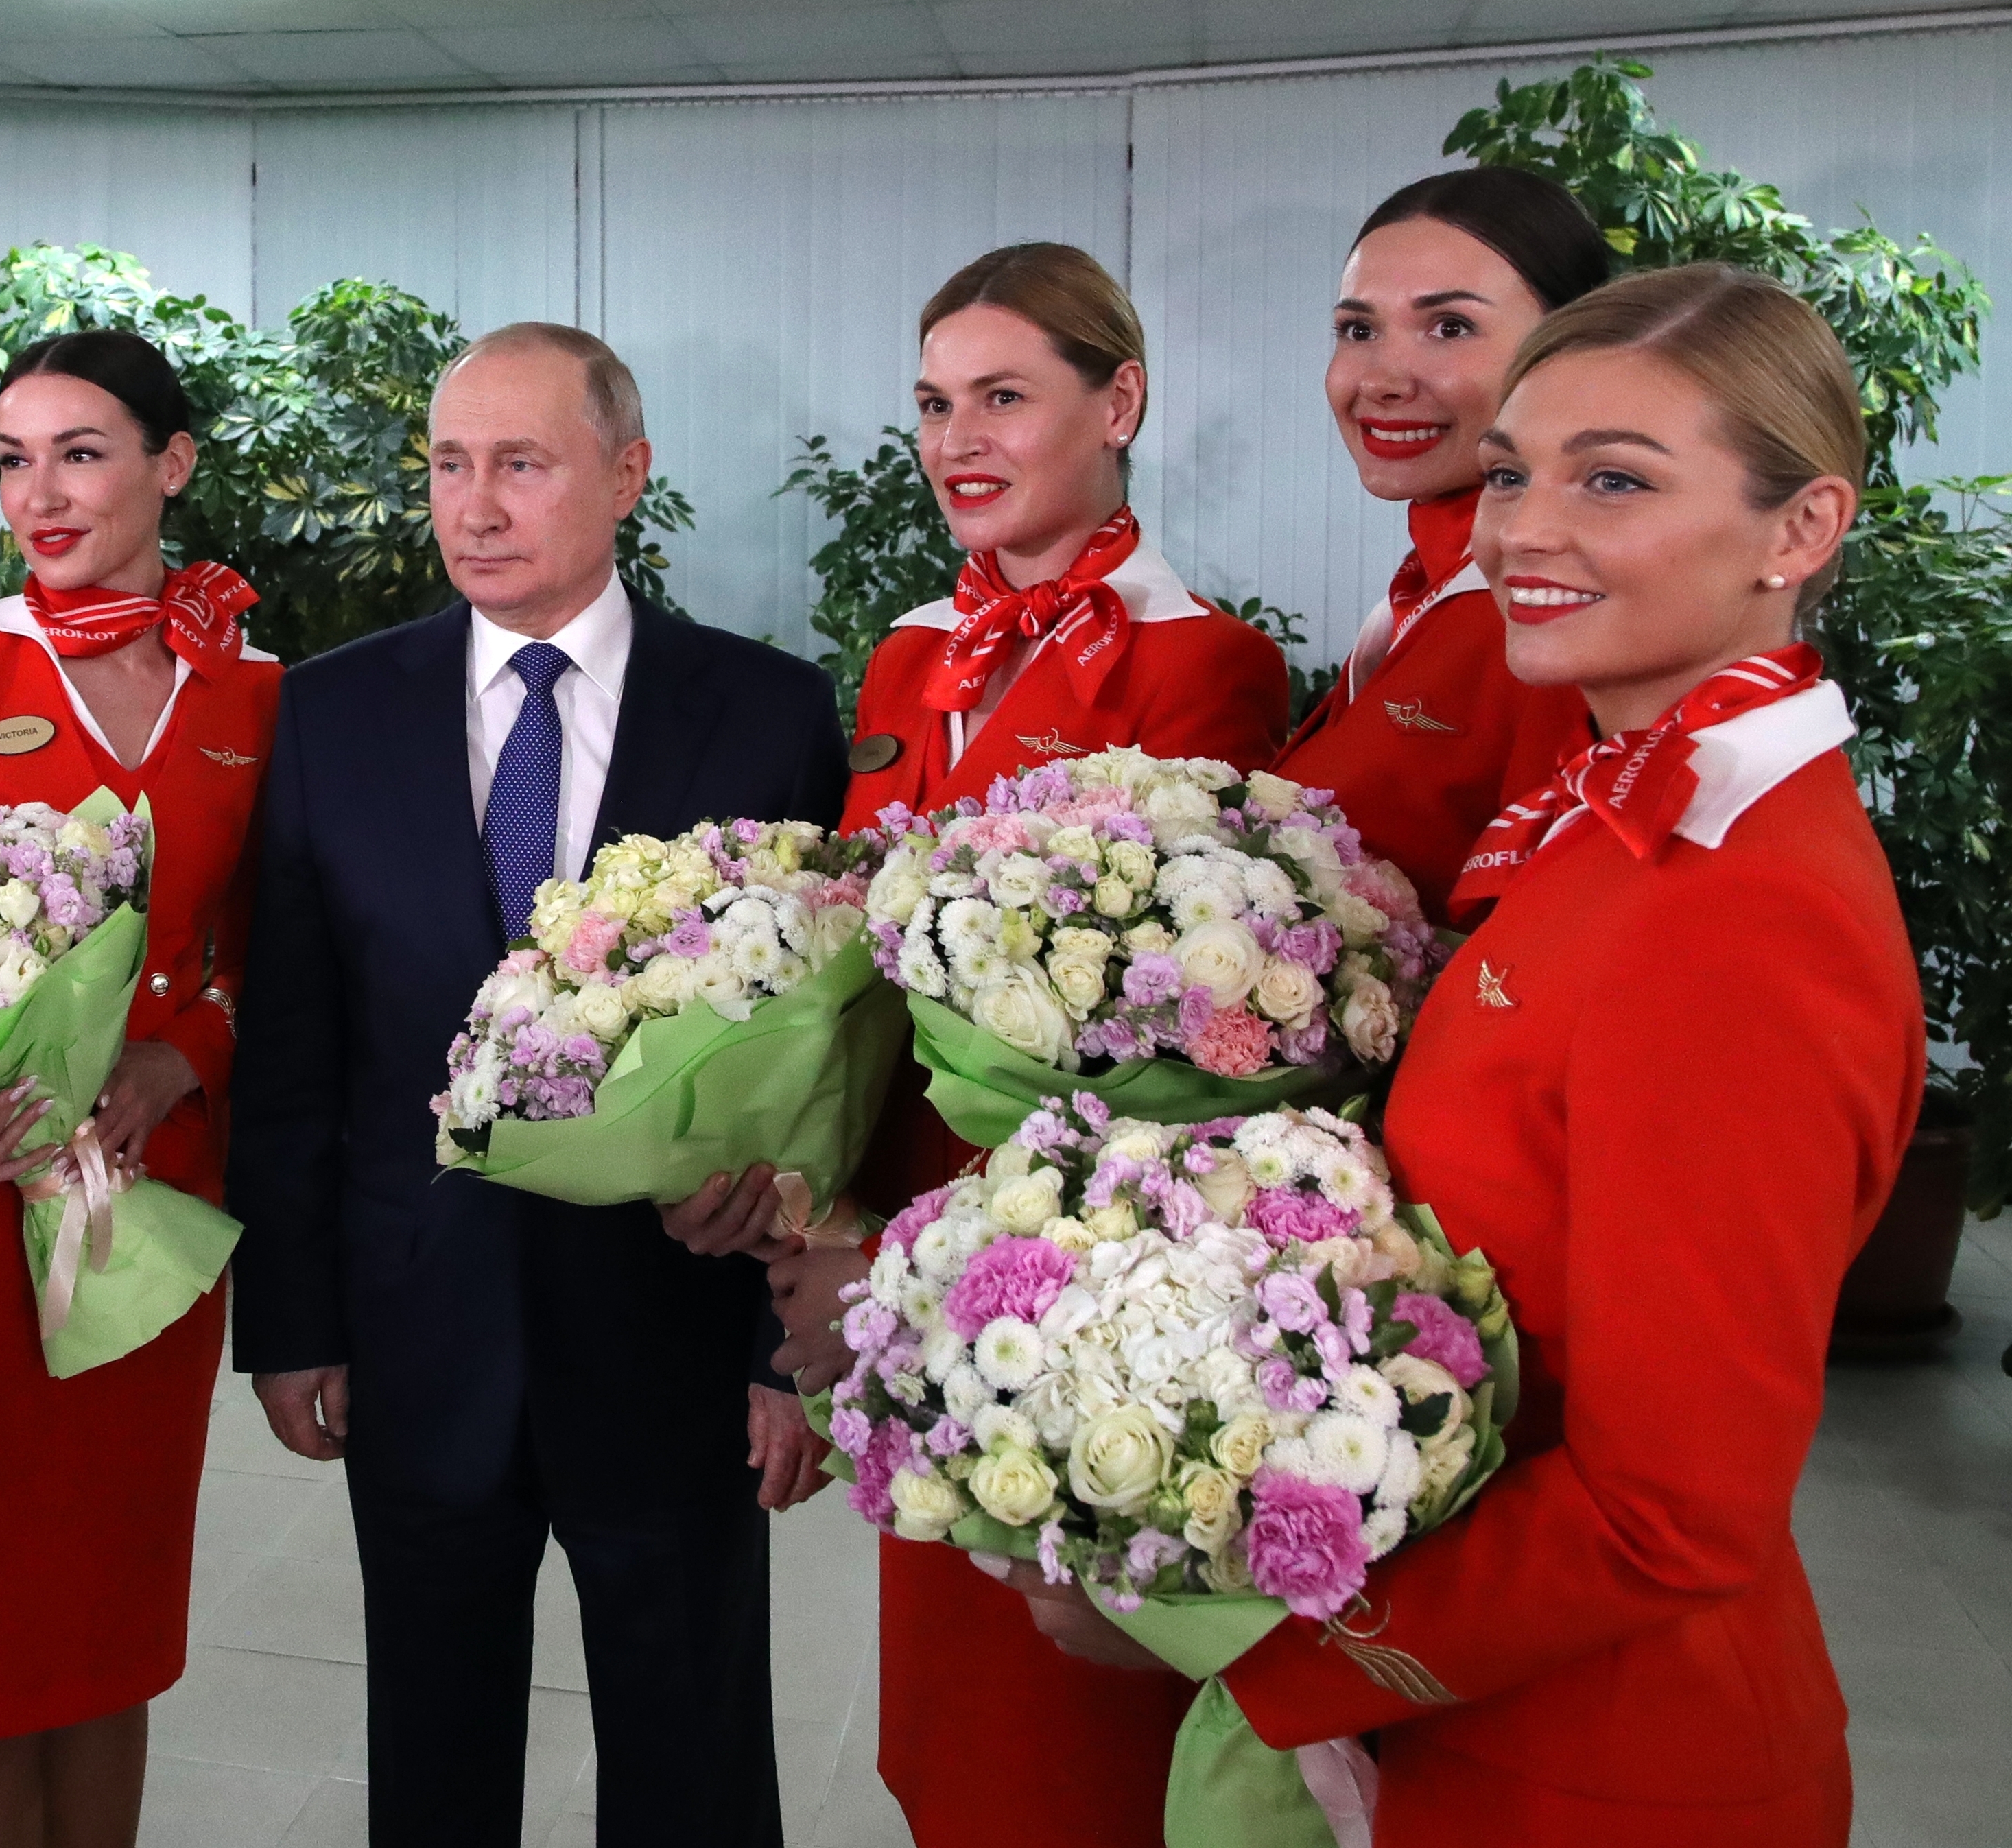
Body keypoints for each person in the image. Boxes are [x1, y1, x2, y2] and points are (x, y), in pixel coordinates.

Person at [1006, 264, 1922, 1847]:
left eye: (1611, 478)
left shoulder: (1737, 907)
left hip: (1597, 1767)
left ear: (1797, 530)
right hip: (1477, 1734)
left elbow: (1669, 1510)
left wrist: (1260, 1644)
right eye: (1508, 472)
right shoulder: (1613, 812)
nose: (1519, 531)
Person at [226, 322, 848, 1848]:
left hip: (673, 1331)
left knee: (691, 1752)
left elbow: (828, 1057)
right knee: (430, 1753)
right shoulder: (330, 714)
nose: (474, 506)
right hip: (419, 1322)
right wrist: (293, 1323)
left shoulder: (762, 713)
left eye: (521, 464)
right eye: (448, 464)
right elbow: (299, 1048)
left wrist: (791, 1351)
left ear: (626, 476)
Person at [759, 241, 1288, 1848]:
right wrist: (804, 1213)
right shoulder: (915, 651)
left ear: (1115, 400)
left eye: (1003, 395)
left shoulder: (1198, 661)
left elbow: (1175, 1048)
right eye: (932, 402)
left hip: (1067, 1278)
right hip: (891, 1254)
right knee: (943, 1719)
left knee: (1064, 1742)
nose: (954, 437)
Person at [0, 328, 274, 1848]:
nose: (39, 491)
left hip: (150, 1203)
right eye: (12, 458)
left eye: (80, 452)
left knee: (105, 1631)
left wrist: (181, 1056)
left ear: (172, 464)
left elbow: (259, 952)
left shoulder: (254, 690)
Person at [1271, 168, 1606, 915]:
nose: (1382, 379)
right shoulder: (1428, 584)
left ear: (1567, 349)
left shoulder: (1557, 615)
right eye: (1358, 330)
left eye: (1449, 327)